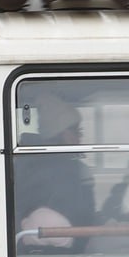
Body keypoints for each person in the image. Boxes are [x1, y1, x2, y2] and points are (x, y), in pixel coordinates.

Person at [14, 92, 96, 240]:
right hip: (57, 246)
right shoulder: (62, 170)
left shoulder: (27, 162)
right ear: (62, 134)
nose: (80, 138)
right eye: (77, 131)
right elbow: (78, 214)